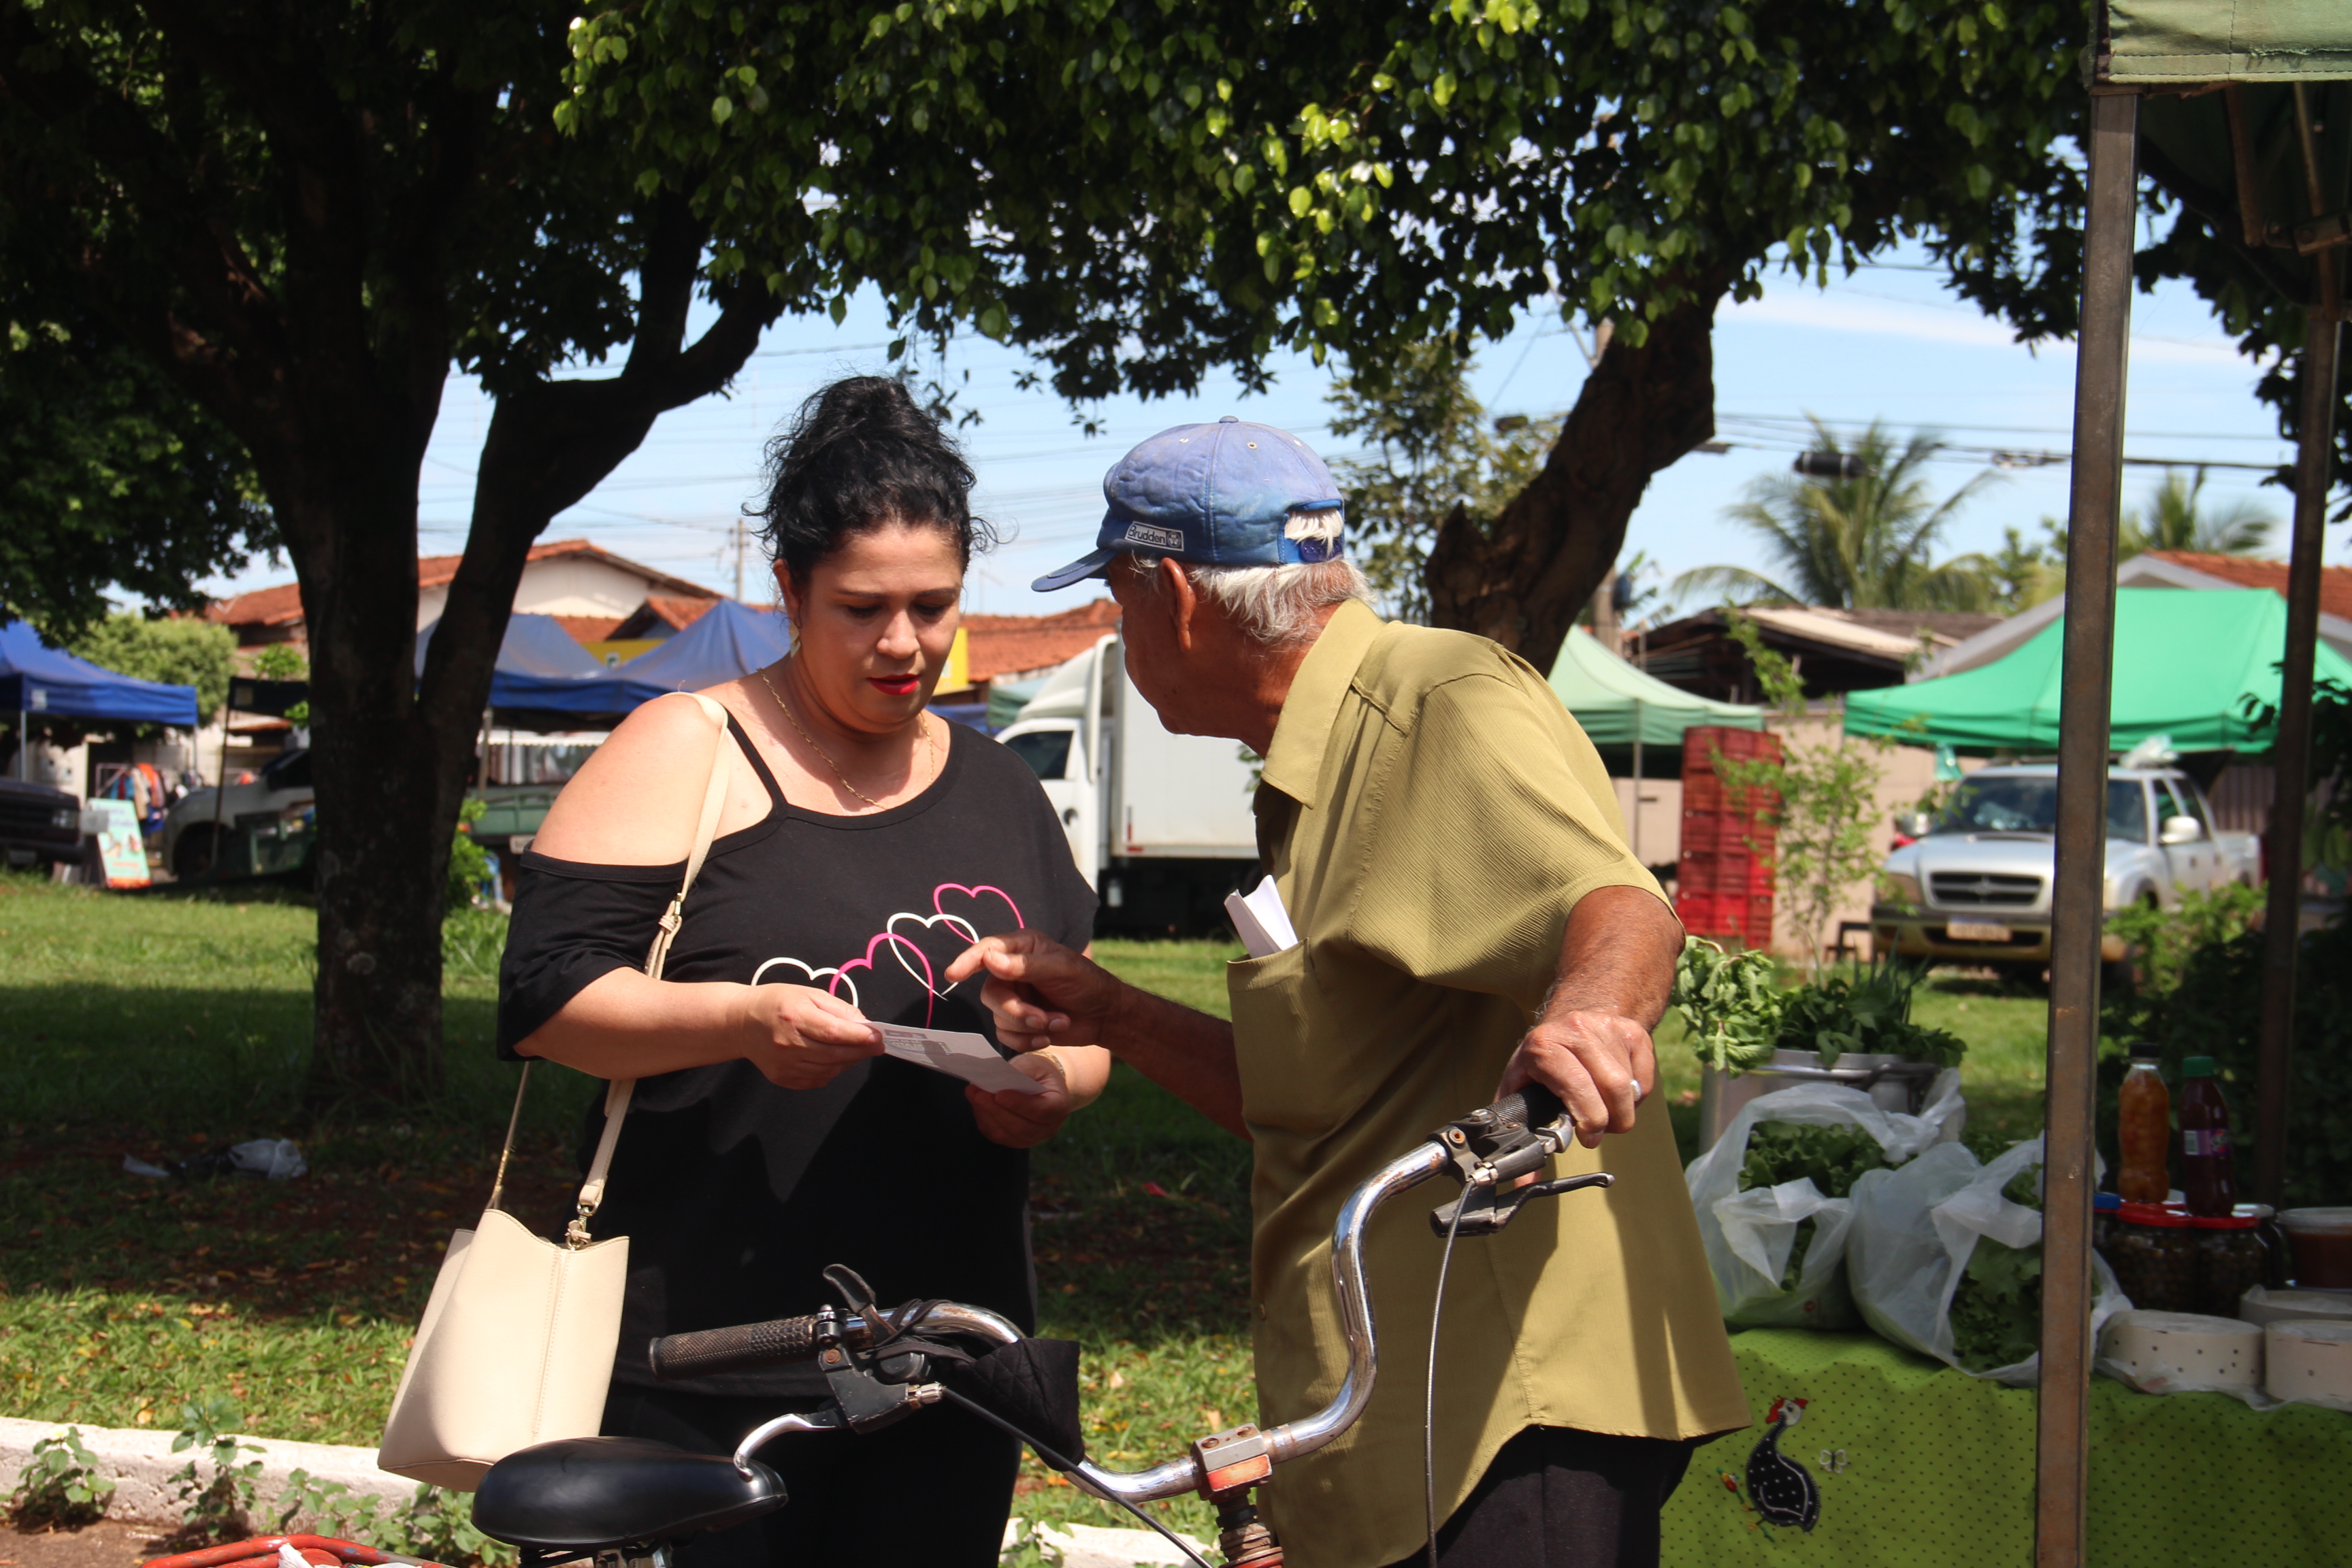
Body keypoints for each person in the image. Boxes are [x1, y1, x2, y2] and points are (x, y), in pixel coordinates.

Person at [947, 416, 1748, 1568]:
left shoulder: (1437, 699)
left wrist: (1591, 1015)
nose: (1123, 636)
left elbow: (1619, 904)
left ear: (1176, 597)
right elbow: (1326, 1104)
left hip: (1510, 1412)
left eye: (1120, 603)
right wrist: (1115, 1013)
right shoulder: (1312, 768)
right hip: (1403, 1410)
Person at [495, 376, 1109, 1568]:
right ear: (788, 591)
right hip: (705, 1361)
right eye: (861, 608)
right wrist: (739, 1020)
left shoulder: (1001, 786)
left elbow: (1084, 1026)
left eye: (933, 606)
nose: (903, 643)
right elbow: (545, 998)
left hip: (950, 1359)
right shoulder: (687, 748)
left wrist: (1054, 1086)